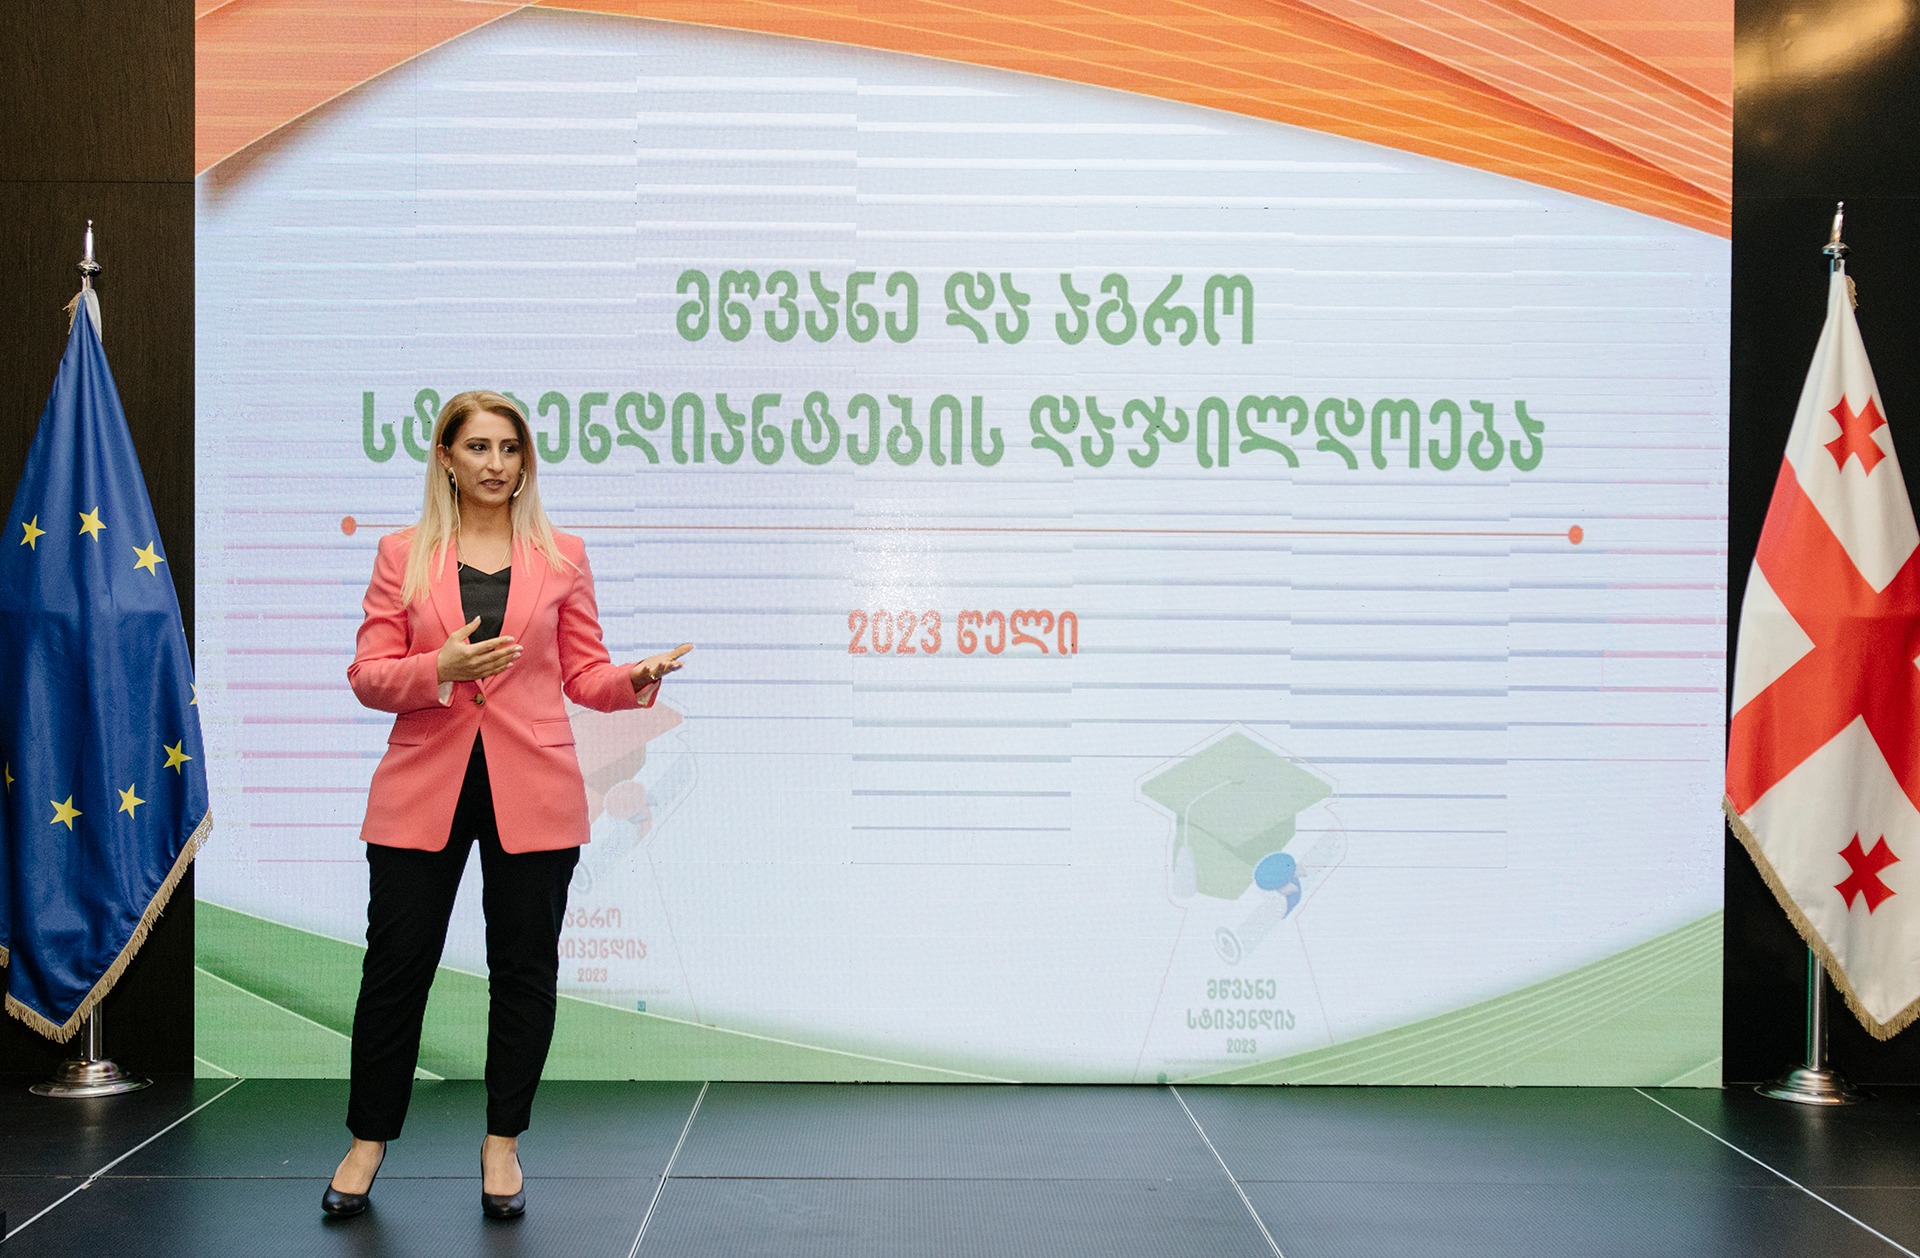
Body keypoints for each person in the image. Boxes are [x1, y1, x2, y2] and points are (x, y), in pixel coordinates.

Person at [322, 390, 691, 1220]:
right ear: (446, 458)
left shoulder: (562, 556)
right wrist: (439, 670)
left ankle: (502, 1144)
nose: (496, 463)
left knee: (524, 972)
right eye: (479, 447)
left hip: (536, 787)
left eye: (510, 448)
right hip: (422, 787)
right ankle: (366, 1142)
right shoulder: (401, 553)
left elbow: (583, 675)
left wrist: (634, 680)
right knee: (395, 971)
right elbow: (368, 676)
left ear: (526, 462)